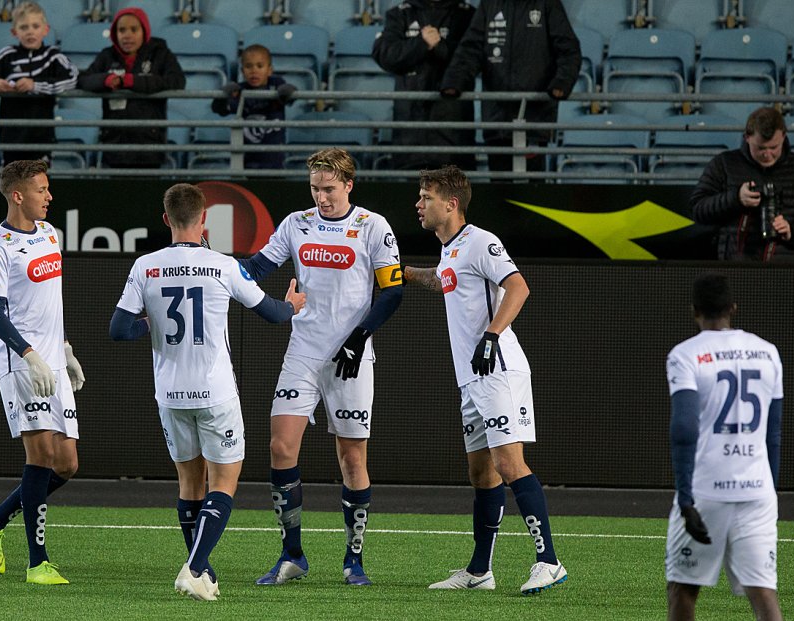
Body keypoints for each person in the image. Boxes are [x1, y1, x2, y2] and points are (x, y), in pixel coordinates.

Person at [109, 183, 306, 601]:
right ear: (204, 220)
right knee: (224, 482)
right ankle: (195, 567)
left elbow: (119, 329)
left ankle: (204, 571)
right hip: (215, 392)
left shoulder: (146, 266)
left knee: (188, 485)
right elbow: (272, 314)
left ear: (166, 219)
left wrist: (151, 323)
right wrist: (292, 305)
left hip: (170, 394)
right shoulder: (223, 265)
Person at [238, 147, 404, 587]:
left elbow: (392, 292)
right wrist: (214, 268)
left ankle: (354, 560)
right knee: (280, 448)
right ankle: (292, 554)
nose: (321, 197)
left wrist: (359, 336)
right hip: (304, 350)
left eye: (329, 189)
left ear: (349, 185)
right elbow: (255, 268)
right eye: (315, 188)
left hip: (351, 356)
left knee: (352, 459)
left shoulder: (373, 226)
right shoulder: (296, 224)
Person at [404, 165, 566, 595]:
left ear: (451, 204)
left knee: (508, 464)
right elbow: (444, 281)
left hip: (498, 371)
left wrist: (492, 335)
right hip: (472, 379)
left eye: (426, 197)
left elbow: (518, 287)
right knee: (482, 473)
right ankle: (480, 571)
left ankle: (548, 561)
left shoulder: (481, 241)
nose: (418, 204)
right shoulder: (452, 249)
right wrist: (403, 273)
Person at [0, 159, 86, 585]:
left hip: (53, 360)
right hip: (22, 364)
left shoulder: (50, 235)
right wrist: (30, 355)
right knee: (40, 457)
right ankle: (37, 562)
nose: (49, 196)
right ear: (17, 195)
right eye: (42, 189)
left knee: (68, 464)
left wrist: (65, 350)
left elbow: (47, 304)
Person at [664, 273, 784, 620]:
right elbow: (773, 434)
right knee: (763, 593)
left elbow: (684, 428)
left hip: (707, 490)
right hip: (757, 491)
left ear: (694, 311)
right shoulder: (768, 353)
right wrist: (770, 491)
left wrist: (685, 498)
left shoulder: (685, 355)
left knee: (683, 590)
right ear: (733, 307)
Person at [440, 0, 581, 173]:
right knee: (500, 189)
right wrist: (454, 81)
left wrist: (561, 84)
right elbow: (471, 49)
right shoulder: (489, 4)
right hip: (496, 119)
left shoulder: (547, 3)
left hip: (534, 119)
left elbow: (569, 50)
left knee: (532, 189)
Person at [689, 106, 794, 261]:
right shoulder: (724, 164)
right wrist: (736, 198)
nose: (767, 154)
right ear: (747, 137)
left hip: (788, 271)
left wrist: (792, 231)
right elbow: (697, 209)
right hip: (734, 269)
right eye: (760, 148)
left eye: (774, 147)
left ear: (784, 137)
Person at [0, 1, 79, 164]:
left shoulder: (53, 56)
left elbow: (73, 78)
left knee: (38, 186)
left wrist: (35, 85)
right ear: (15, 32)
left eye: (35, 26)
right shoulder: (8, 54)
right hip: (11, 137)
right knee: (13, 186)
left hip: (41, 138)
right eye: (24, 27)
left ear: (45, 30)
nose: (30, 32)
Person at [371, 0, 476, 170]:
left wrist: (440, 46)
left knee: (453, 192)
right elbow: (386, 55)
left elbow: (473, 59)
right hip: (409, 137)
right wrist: (421, 43)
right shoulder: (399, 13)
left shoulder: (467, 14)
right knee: (411, 194)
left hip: (453, 136)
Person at [76, 7, 185, 168]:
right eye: (122, 30)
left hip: (150, 145)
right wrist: (106, 80)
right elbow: (83, 80)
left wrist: (131, 81)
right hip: (114, 144)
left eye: (134, 29)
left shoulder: (161, 53)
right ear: (115, 34)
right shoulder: (107, 55)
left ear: (144, 31)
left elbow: (177, 81)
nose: (127, 35)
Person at [211, 44, 297, 169]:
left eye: (260, 66)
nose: (254, 71)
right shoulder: (239, 91)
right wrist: (223, 96)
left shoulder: (276, 84)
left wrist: (286, 91)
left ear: (269, 70)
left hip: (275, 160)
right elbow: (219, 109)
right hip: (248, 160)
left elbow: (290, 95)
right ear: (242, 71)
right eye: (248, 66)